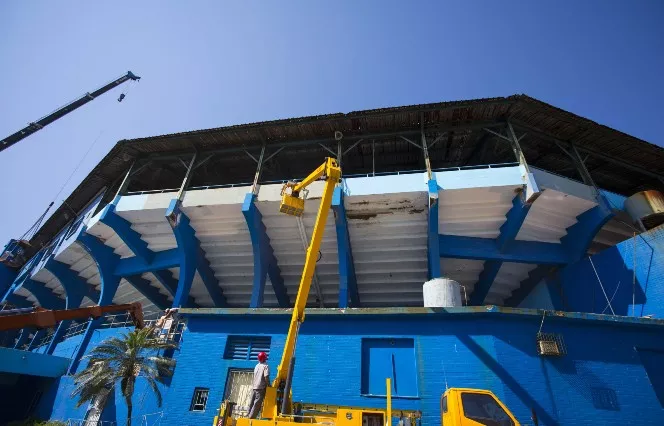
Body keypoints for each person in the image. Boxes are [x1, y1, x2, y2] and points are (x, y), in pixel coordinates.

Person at [248, 352, 270, 419]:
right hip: (261, 388)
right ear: (265, 358)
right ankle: (251, 417)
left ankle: (248, 414)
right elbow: (266, 377)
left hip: (254, 387)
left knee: (252, 403)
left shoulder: (257, 366)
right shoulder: (265, 366)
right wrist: (269, 385)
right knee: (257, 404)